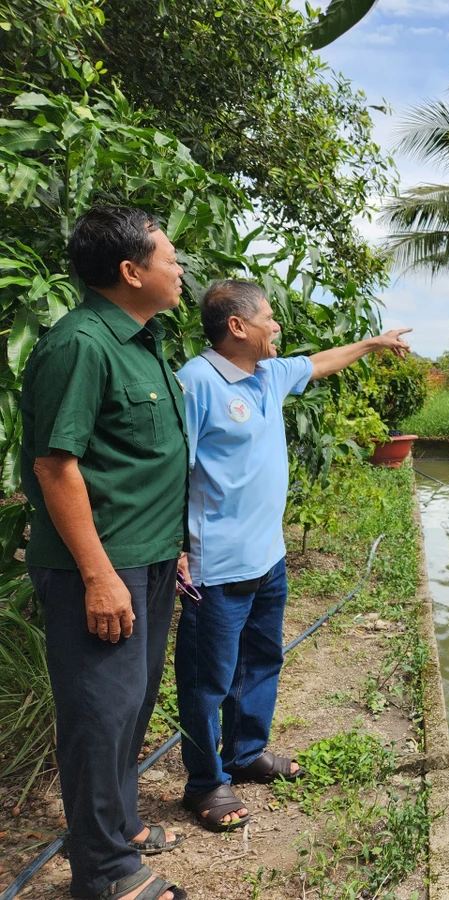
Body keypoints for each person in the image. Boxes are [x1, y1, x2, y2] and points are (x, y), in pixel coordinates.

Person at [174, 279, 411, 830]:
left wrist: (373, 344)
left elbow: (320, 361)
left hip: (268, 560)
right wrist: (176, 549)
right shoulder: (196, 384)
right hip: (216, 566)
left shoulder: (269, 375)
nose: (277, 326)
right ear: (237, 326)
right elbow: (171, 471)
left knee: (261, 662)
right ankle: (206, 783)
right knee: (207, 679)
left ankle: (246, 752)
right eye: (269, 318)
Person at [22, 206, 188, 900]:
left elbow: (139, 461)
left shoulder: (141, 342)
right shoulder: (80, 345)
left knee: (131, 708)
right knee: (98, 715)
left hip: (148, 560)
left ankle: (120, 827)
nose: (180, 271)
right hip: (103, 567)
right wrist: (97, 575)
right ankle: (104, 873)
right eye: (170, 259)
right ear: (131, 271)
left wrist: (169, 550)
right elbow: (56, 467)